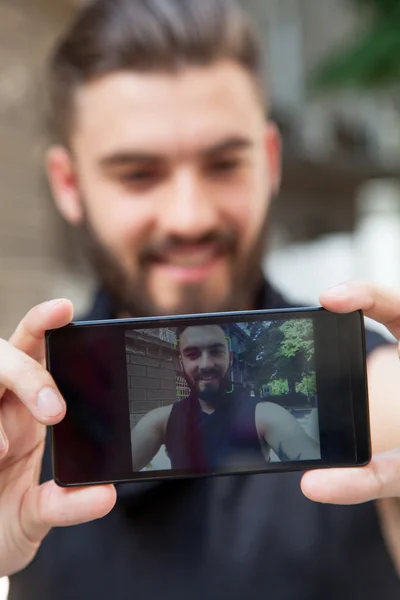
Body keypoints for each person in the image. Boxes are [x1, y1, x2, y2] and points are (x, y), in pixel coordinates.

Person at [2, 0, 400, 598]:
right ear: (70, 184)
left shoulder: (379, 397)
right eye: (138, 173)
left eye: (223, 163)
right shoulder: (24, 425)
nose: (189, 218)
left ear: (269, 162)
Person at [131, 324, 320, 471]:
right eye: (192, 354)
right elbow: (110, 471)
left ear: (229, 357)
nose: (205, 364)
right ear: (181, 363)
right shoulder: (161, 420)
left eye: (215, 352)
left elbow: (316, 462)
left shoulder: (263, 414)